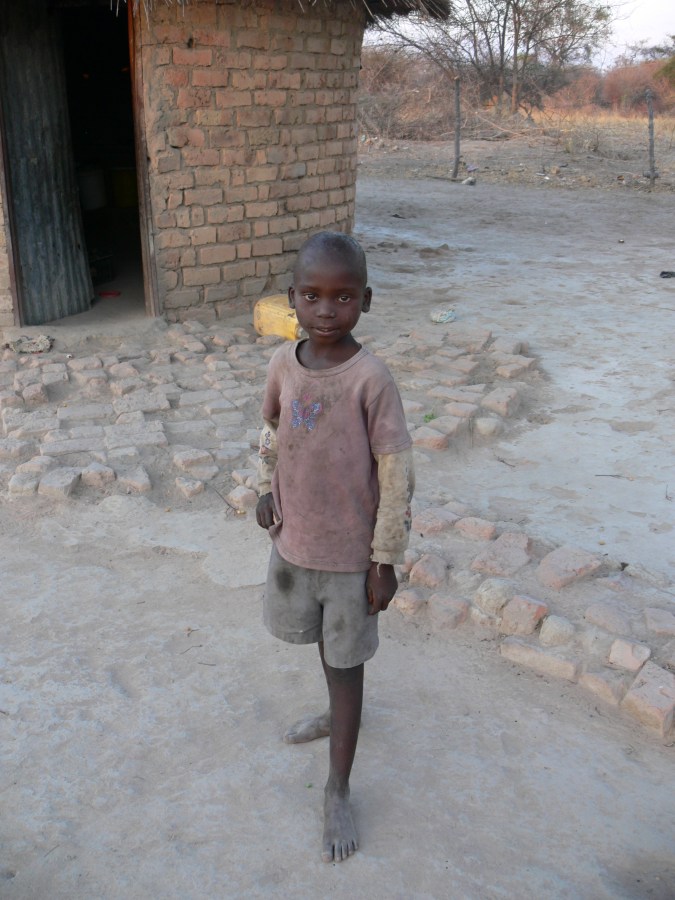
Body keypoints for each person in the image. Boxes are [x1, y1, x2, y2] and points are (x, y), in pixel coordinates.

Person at [255, 231, 414, 863]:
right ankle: (333, 716)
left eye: (344, 297)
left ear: (366, 300)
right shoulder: (283, 363)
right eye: (313, 296)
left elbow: (396, 472)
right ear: (292, 297)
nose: (326, 310)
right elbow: (272, 432)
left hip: (351, 559)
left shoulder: (371, 379)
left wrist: (384, 559)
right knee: (324, 644)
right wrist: (263, 488)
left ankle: (338, 787)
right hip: (296, 544)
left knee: (347, 664)